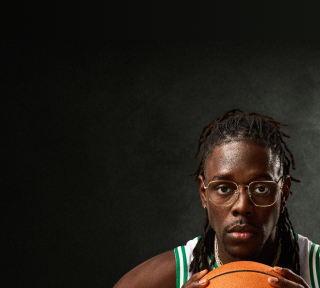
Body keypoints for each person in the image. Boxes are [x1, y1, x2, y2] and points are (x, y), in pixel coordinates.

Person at [114, 109, 320, 288]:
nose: (242, 206)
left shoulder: (315, 269)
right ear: (204, 194)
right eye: (223, 188)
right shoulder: (161, 280)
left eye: (260, 188)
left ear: (283, 193)